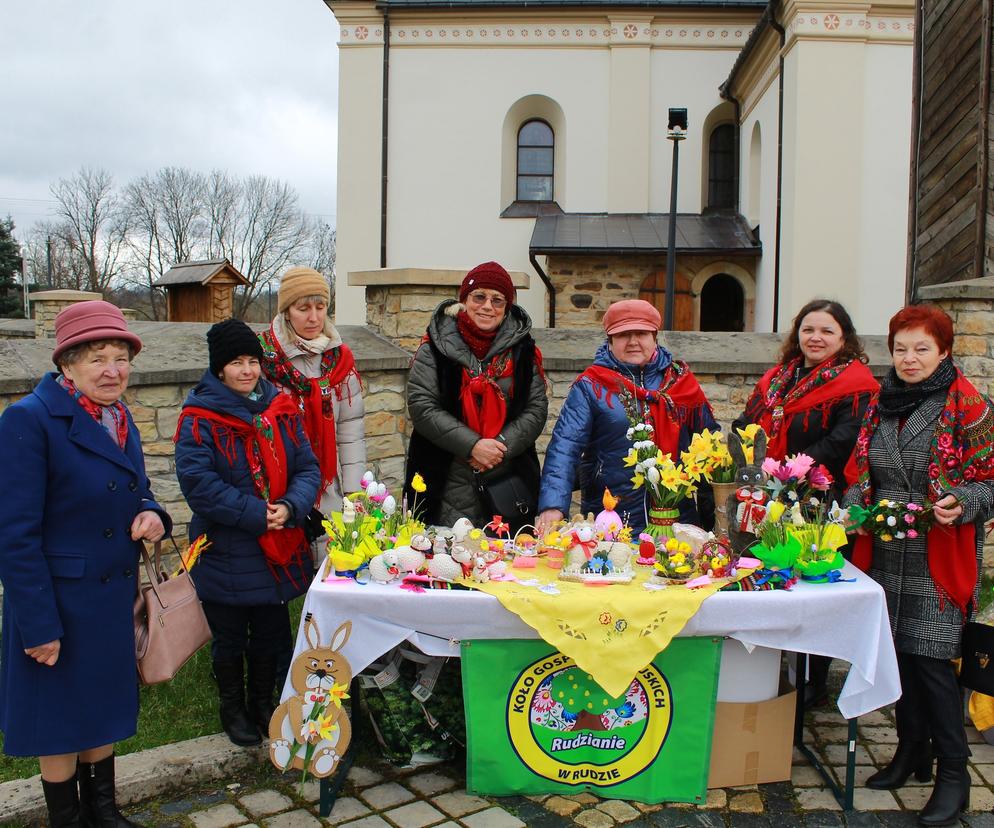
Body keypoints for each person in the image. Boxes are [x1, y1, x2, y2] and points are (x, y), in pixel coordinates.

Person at [0, 301, 170, 828]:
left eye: (121, 358)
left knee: (101, 709)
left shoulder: (119, 419)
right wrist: (39, 625)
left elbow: (138, 490)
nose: (113, 370)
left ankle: (105, 812)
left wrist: (152, 514)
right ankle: (68, 820)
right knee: (59, 722)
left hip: (108, 599)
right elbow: (14, 535)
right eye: (98, 358)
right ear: (67, 364)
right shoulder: (29, 420)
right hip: (58, 604)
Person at [843, 304, 994, 827]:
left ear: (944, 350)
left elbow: (989, 481)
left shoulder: (969, 405)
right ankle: (913, 752)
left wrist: (964, 502)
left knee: (931, 664)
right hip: (884, 552)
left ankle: (956, 775)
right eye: (900, 348)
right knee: (898, 657)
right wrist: (856, 502)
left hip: (937, 555)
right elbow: (862, 468)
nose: (909, 359)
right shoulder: (880, 404)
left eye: (921, 349)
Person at [175, 319, 319, 748]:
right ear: (219, 368)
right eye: (236, 362)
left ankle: (264, 702)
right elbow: (199, 485)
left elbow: (307, 466)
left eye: (253, 361)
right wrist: (258, 514)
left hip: (279, 542)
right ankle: (233, 709)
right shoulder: (199, 418)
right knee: (232, 636)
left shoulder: (280, 409)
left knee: (272, 632)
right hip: (229, 547)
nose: (247, 370)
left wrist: (291, 507)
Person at [732, 299, 878, 706]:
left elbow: (843, 440)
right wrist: (748, 443)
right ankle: (777, 665)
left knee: (813, 584)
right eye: (808, 329)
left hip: (817, 495)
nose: (816, 337)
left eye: (827, 331)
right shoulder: (780, 378)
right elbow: (750, 420)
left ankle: (814, 679)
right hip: (769, 493)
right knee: (772, 577)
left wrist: (790, 468)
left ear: (843, 338)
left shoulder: (857, 385)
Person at [537, 299, 718, 536]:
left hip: (677, 521)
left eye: (641, 333)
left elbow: (708, 450)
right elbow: (565, 447)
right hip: (611, 518)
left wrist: (714, 514)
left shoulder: (682, 383)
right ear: (610, 340)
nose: (633, 342)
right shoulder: (590, 386)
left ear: (654, 336)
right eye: (623, 335)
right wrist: (552, 505)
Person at [404, 261, 548, 529]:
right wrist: (473, 446)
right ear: (464, 300)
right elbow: (423, 406)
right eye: (479, 296)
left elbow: (536, 408)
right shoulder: (433, 347)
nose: (487, 306)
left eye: (497, 300)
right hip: (443, 478)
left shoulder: (524, 350)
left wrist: (497, 449)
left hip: (507, 478)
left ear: (506, 308)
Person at [259, 266, 365, 535]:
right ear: (286, 311)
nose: (314, 317)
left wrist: (354, 491)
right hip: (281, 492)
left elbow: (350, 432)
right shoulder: (263, 360)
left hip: (330, 490)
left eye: (320, 307)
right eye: (303, 308)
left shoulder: (340, 361)